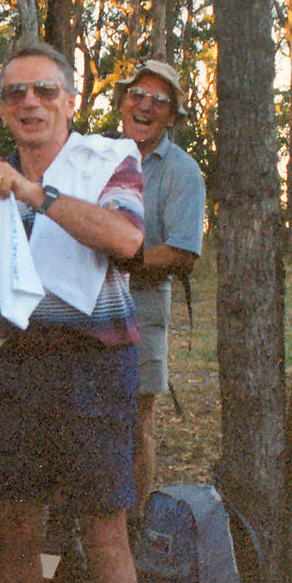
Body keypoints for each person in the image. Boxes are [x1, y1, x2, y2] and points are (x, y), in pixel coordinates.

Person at [0, 40, 144, 583]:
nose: (31, 102)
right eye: (15, 93)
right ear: (2, 109)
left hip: (97, 365)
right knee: (15, 526)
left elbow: (125, 239)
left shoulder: (110, 160)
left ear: (70, 102)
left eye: (45, 90)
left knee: (103, 530)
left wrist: (35, 194)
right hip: (20, 366)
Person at [115, 61, 205, 517]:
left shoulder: (182, 171)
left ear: (172, 117)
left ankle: (132, 527)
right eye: (137, 95)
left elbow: (184, 254)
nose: (145, 106)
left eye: (159, 100)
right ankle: (74, 528)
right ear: (123, 103)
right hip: (84, 304)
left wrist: (120, 257)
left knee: (136, 421)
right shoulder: (98, 155)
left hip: (142, 307)